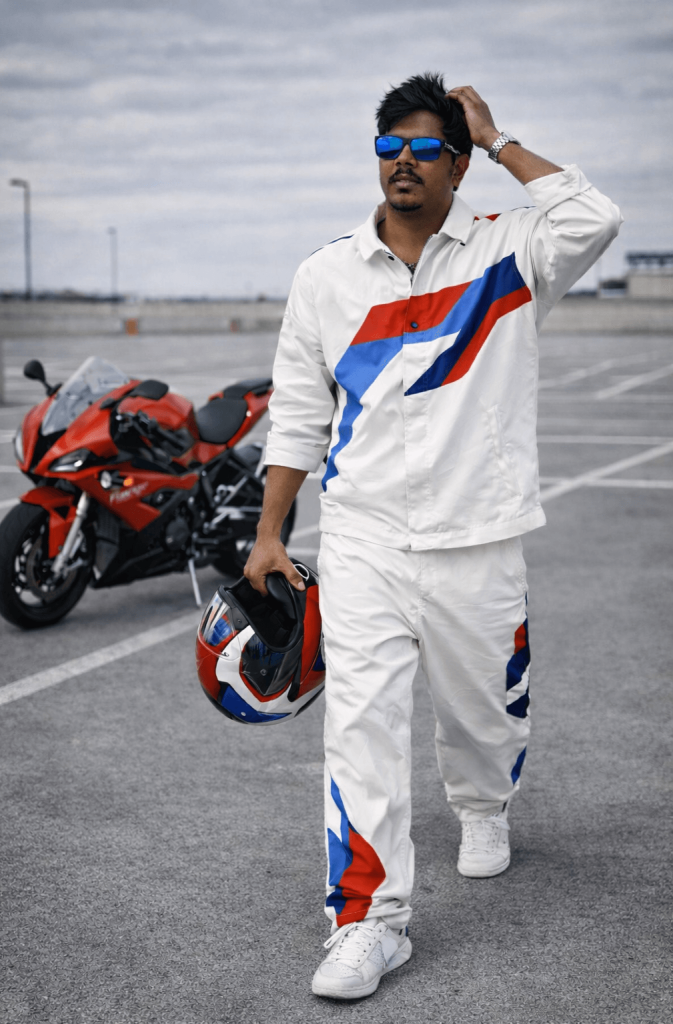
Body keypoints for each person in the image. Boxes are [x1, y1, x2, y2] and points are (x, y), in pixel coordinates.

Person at [244, 73, 621, 1000]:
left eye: (423, 147)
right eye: (388, 147)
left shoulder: (508, 251)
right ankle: (370, 923)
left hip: (478, 540)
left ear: (454, 163)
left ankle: (482, 804)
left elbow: (595, 217)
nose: (402, 162)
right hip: (363, 541)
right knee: (358, 728)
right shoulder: (324, 274)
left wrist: (497, 138)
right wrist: (267, 535)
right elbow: (296, 412)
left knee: (482, 718)